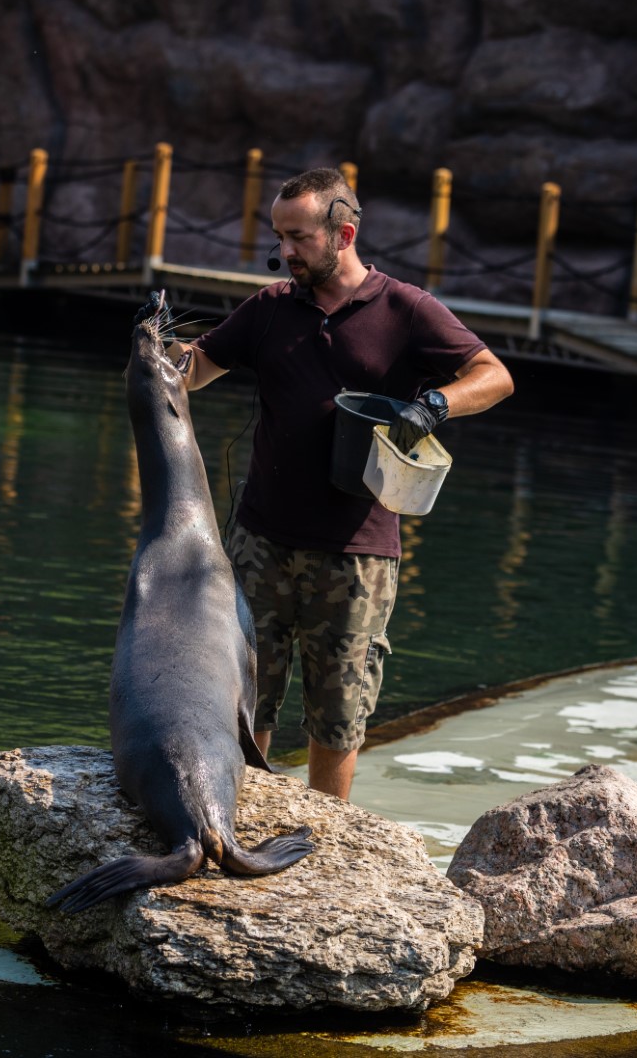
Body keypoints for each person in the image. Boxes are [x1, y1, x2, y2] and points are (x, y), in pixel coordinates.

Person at [170, 167, 514, 801]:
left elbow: (493, 376)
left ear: (343, 233)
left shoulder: (405, 309)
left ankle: (329, 846)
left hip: (359, 549)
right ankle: (235, 822)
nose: (284, 251)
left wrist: (435, 404)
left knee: (338, 713)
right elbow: (191, 374)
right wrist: (155, 348)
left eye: (298, 237)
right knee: (243, 700)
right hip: (260, 540)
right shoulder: (270, 308)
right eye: (279, 236)